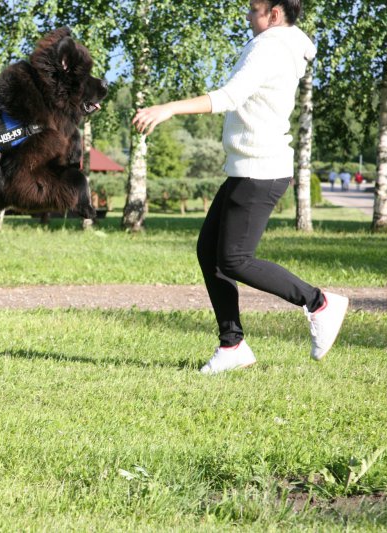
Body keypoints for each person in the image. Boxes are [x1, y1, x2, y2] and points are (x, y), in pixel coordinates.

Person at [132, 0, 348, 374]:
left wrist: (168, 108)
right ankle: (232, 345)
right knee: (209, 252)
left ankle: (319, 302)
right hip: (247, 168)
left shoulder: (270, 47)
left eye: (254, 10)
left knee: (233, 259)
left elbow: (229, 97)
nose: (248, 17)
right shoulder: (283, 44)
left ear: (275, 14)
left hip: (260, 170)